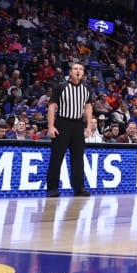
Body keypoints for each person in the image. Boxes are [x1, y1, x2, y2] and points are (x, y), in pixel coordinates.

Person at [47, 62, 93, 197]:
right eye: (75, 69)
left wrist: (89, 125)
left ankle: (79, 188)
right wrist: (51, 126)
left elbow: (88, 107)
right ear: (70, 72)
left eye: (80, 69)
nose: (78, 71)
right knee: (57, 157)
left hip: (78, 124)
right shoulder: (60, 86)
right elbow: (52, 107)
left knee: (78, 158)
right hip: (62, 123)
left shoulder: (86, 88)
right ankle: (52, 188)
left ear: (83, 72)